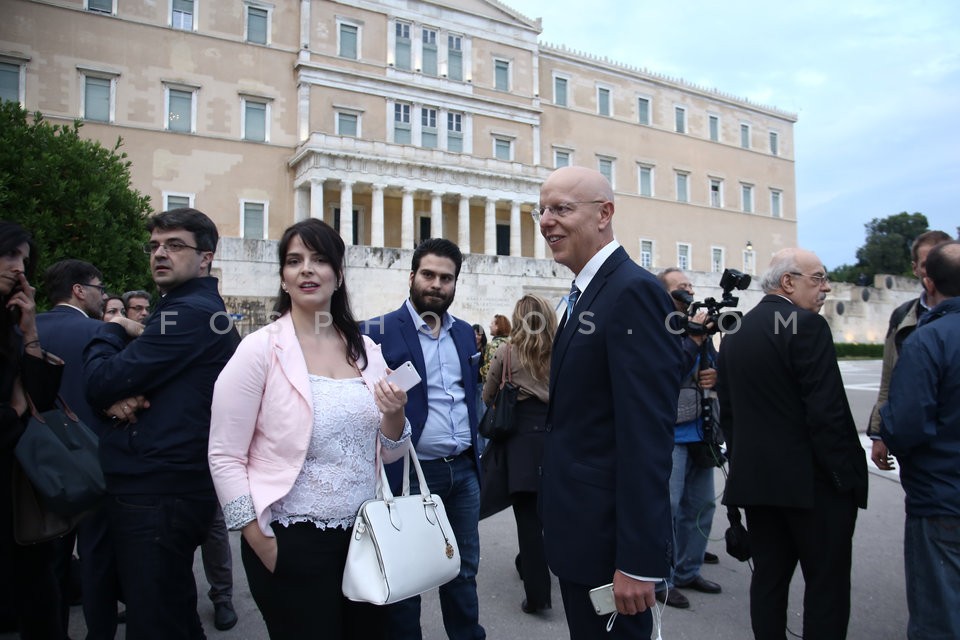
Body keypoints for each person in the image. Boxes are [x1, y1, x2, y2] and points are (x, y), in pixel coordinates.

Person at [209, 219, 411, 639]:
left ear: (338, 276)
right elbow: (225, 454)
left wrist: (394, 415)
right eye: (294, 261)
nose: (306, 269)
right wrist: (256, 536)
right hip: (290, 537)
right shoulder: (259, 349)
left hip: (365, 536)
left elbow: (389, 451)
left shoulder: (365, 349)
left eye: (320, 260)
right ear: (283, 278)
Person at [536, 166, 682, 639]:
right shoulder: (588, 292)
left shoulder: (633, 292)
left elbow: (647, 436)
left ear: (605, 214)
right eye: (542, 209)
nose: (546, 221)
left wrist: (639, 561)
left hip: (610, 547)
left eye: (561, 208)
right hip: (583, 533)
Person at [83, 208, 241, 640]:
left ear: (205, 258)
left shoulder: (187, 313)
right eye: (154, 245)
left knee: (154, 618)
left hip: (158, 489)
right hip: (162, 484)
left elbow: (100, 382)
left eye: (174, 245)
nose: (159, 254)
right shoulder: (182, 310)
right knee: (169, 609)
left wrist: (112, 330)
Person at [717, 248, 868, 639]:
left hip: (760, 485)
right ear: (788, 282)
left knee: (768, 581)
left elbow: (729, 416)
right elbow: (827, 413)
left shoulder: (735, 332)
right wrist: (844, 478)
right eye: (817, 278)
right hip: (813, 486)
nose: (826, 287)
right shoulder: (806, 326)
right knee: (826, 588)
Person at [362, 238, 485, 640]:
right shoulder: (376, 332)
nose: (436, 284)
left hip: (464, 470)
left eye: (446, 278)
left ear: (455, 284)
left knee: (463, 570)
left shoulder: (466, 335)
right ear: (412, 276)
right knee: (408, 575)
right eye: (428, 275)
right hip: (411, 473)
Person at [880, 241, 960, 640]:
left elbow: (907, 423)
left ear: (927, 279)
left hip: (941, 493)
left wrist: (888, 428)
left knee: (938, 612)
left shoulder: (929, 339)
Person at [36, 259, 119, 639]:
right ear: (79, 291)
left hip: (37, 465)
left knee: (44, 560)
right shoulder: (100, 333)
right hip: (92, 464)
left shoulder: (26, 328)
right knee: (95, 559)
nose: (103, 297)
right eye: (99, 289)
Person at [0, 221, 66, 639]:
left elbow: (38, 402)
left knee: (38, 594)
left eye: (24, 258)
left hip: (20, 489)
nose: (19, 268)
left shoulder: (13, 324)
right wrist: (13, 411)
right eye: (10, 255)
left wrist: (30, 333)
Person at [482, 294, 555, 614]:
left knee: (527, 518)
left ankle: (538, 595)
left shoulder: (507, 352)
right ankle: (530, 563)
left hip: (521, 442)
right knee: (550, 515)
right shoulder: (562, 351)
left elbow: (487, 397)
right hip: (555, 438)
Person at [654, 268, 722, 610]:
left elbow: (712, 366)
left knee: (702, 506)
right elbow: (665, 373)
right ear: (668, 296)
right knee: (668, 507)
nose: (690, 292)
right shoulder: (660, 327)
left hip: (701, 430)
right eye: (682, 288)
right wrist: (693, 340)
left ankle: (688, 570)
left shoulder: (700, 328)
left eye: (690, 285)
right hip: (672, 433)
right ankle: (660, 579)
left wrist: (715, 372)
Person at [867, 230, 952, 470]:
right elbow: (888, 381)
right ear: (915, 268)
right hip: (919, 446)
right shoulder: (903, 315)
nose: (933, 271)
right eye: (927, 264)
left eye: (940, 262)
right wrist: (878, 433)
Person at [480, 314, 510, 382]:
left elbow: (491, 369)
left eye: (492, 323)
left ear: (497, 326)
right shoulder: (509, 342)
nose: (489, 326)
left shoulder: (494, 345)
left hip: (493, 386)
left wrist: (480, 371)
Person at [472, 323, 487, 419]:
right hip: (470, 383)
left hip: (481, 384)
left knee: (481, 411)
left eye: (479, 334)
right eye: (475, 334)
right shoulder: (468, 347)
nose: (477, 337)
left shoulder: (486, 349)